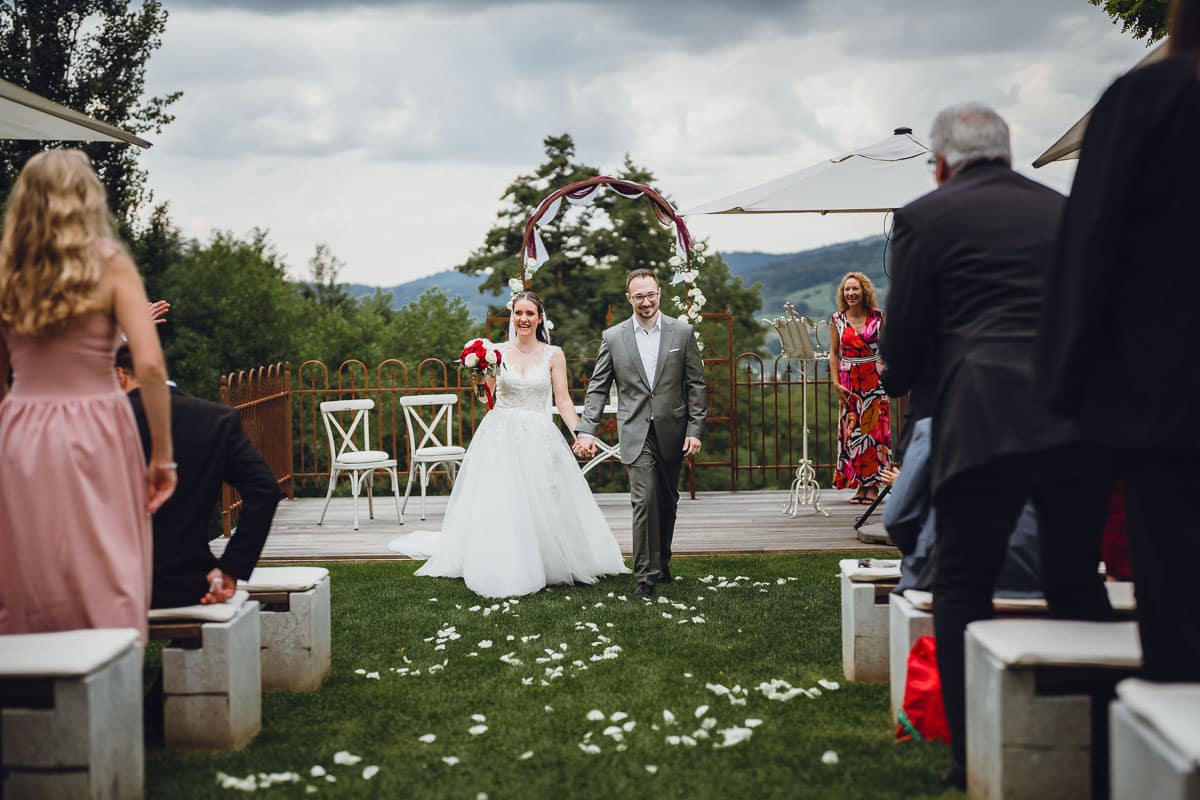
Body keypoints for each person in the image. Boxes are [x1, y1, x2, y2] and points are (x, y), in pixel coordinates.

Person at [881, 104, 1091, 789]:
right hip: (1075, 414)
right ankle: (1090, 739)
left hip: (980, 417)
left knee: (963, 583)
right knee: (1073, 578)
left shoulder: (923, 217)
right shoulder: (1065, 210)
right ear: (1007, 152)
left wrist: (898, 375)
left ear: (941, 162)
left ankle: (971, 754)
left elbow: (903, 344)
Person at [1038, 0, 1200, 682]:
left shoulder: (1149, 98)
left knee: (1178, 602)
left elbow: (1090, 249)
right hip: (1164, 392)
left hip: (1165, 395)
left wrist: (1063, 386)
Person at [0, 149, 176, 643]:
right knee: (107, 557)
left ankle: (31, 698)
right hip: (98, 423)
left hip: (19, 428)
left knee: (27, 564)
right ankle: (110, 688)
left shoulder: (6, 270)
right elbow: (149, 364)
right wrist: (162, 455)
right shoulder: (112, 265)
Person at [392, 292, 628, 598]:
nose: (524, 319)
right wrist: (478, 377)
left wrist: (580, 434)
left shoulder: (553, 354)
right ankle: (503, 560)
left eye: (530, 313)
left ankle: (548, 560)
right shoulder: (495, 353)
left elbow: (564, 400)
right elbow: (486, 399)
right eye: (519, 313)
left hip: (539, 435)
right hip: (501, 433)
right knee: (503, 499)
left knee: (544, 499)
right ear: (512, 317)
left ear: (540, 318)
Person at [575, 269, 707, 600]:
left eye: (651, 295)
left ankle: (662, 563)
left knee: (667, 501)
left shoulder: (682, 332)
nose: (646, 302)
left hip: (673, 430)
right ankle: (644, 577)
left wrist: (694, 430)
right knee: (643, 501)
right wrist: (586, 430)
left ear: (659, 294)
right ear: (629, 299)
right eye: (638, 296)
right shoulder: (614, 337)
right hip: (635, 431)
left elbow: (696, 385)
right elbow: (597, 388)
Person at [115, 345, 279, 608]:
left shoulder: (101, 419)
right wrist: (231, 567)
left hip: (109, 587)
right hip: (187, 587)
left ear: (120, 375)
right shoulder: (215, 420)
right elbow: (265, 489)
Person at [828, 272, 890, 504]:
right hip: (848, 382)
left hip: (874, 379)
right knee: (853, 432)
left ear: (864, 291)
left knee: (874, 432)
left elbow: (888, 349)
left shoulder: (878, 316)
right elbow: (834, 354)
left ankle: (872, 487)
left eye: (855, 289)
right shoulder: (837, 319)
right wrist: (835, 382)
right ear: (843, 294)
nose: (851, 293)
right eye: (847, 289)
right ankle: (858, 486)